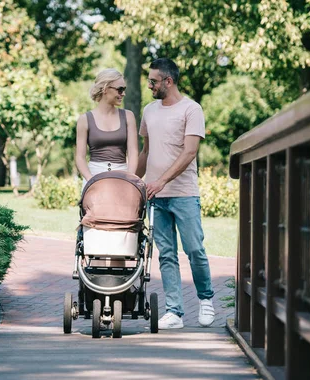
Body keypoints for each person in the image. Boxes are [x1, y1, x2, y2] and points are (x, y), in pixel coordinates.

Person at [136, 58, 215, 329]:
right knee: (166, 253)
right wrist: (131, 182)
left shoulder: (191, 109)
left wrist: (160, 181)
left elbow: (189, 152)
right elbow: (146, 152)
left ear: (168, 81)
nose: (150, 85)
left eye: (154, 81)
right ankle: (175, 312)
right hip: (156, 197)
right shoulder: (149, 110)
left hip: (183, 194)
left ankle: (205, 300)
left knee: (194, 249)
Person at [75, 68, 139, 189]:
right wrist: (90, 179)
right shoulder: (85, 119)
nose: (123, 94)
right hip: (94, 175)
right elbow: (79, 157)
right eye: (120, 90)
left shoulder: (128, 116)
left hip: (122, 175)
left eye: (124, 89)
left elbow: (133, 152)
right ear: (105, 89)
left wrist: (129, 178)